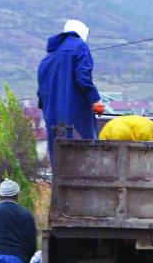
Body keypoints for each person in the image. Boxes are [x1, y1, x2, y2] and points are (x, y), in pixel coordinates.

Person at [37, 19, 104, 162]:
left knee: (60, 166)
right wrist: (95, 100)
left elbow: (41, 97)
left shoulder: (47, 58)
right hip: (77, 122)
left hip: (53, 125)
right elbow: (83, 78)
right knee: (84, 162)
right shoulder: (80, 46)